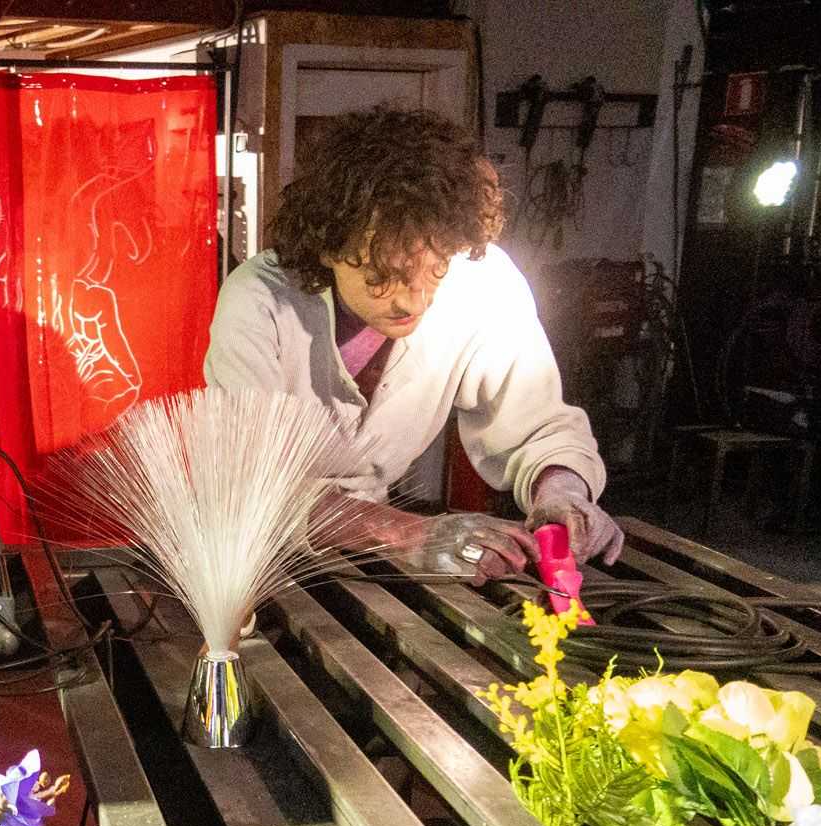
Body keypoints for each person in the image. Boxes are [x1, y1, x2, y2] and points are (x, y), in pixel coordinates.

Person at [205, 107, 623, 584]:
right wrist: (409, 533)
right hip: (252, 553)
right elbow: (249, 485)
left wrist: (562, 492)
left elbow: (538, 427)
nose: (414, 299)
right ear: (327, 245)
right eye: (383, 275)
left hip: (368, 554)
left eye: (435, 268)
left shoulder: (480, 278)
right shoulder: (259, 300)